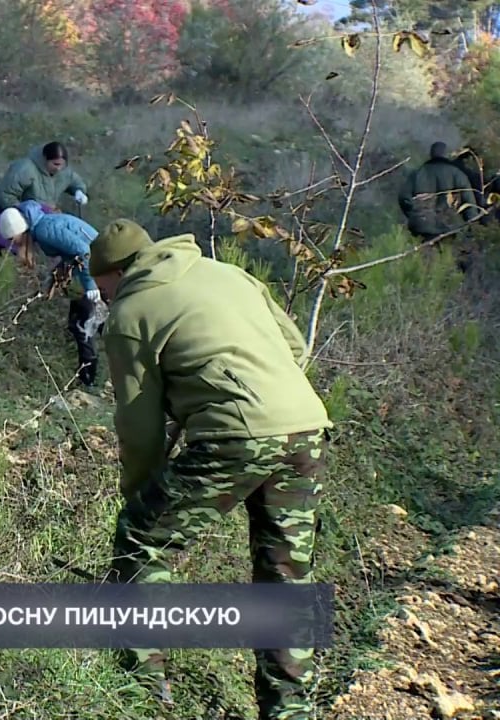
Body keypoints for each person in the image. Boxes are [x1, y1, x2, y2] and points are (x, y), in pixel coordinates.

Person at [90, 219, 333, 720]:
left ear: (114, 274)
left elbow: (139, 429)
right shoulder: (227, 274)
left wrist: (138, 496)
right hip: (306, 426)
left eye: (101, 286)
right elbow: (295, 349)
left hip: (237, 435)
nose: (102, 296)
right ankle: (290, 710)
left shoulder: (130, 313)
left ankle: (142, 693)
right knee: (286, 574)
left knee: (141, 538)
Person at [0, 201, 101, 388]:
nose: (16, 244)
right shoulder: (44, 225)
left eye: (15, 239)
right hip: (98, 269)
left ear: (20, 231)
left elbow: (83, 251)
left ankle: (89, 382)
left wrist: (90, 284)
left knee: (82, 324)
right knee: (88, 322)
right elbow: (70, 253)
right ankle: (92, 379)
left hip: (98, 270)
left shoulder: (45, 230)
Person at [399, 142, 482, 265]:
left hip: (423, 227)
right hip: (450, 227)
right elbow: (469, 203)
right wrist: (473, 227)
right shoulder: (457, 174)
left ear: (431, 154)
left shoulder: (417, 174)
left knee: (425, 265)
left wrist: (414, 214)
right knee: (450, 264)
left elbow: (403, 197)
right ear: (446, 155)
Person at [0, 141, 88, 217]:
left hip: (44, 216)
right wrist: (24, 210)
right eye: (55, 164)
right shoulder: (25, 169)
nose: (58, 168)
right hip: (14, 216)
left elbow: (75, 182)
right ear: (45, 159)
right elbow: (5, 195)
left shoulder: (64, 171)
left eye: (62, 165)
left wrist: (79, 191)